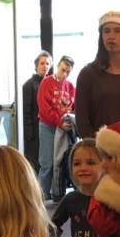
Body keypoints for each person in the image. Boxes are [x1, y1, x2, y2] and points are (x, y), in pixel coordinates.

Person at [73, 10, 120, 138]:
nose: (111, 36)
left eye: (118, 30)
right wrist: (97, 150)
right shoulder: (87, 74)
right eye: (106, 31)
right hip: (96, 152)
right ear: (101, 36)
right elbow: (82, 121)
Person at [37, 55, 76, 201]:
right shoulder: (46, 82)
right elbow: (44, 108)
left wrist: (67, 122)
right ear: (58, 66)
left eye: (68, 72)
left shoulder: (71, 87)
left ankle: (57, 195)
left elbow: (71, 107)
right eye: (63, 69)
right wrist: (59, 122)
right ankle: (42, 197)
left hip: (63, 128)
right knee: (47, 163)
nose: (64, 74)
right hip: (48, 126)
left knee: (59, 162)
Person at [22, 51, 51, 172]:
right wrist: (29, 135)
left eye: (47, 63)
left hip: (47, 130)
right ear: (36, 66)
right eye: (42, 63)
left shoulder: (51, 84)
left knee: (46, 163)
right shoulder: (28, 85)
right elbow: (25, 111)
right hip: (33, 132)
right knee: (34, 164)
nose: (45, 66)